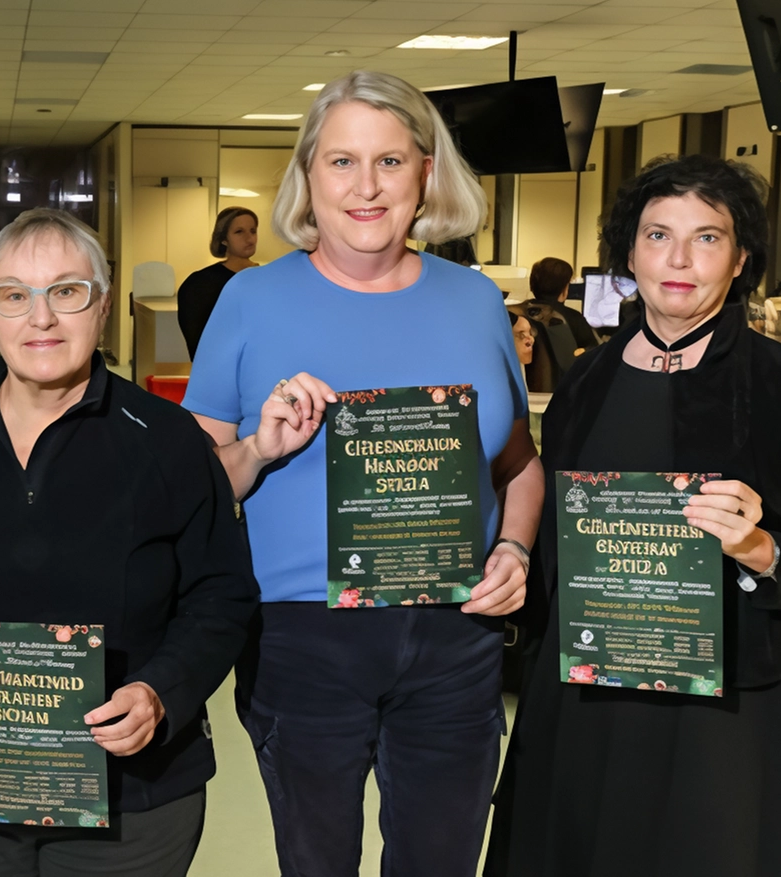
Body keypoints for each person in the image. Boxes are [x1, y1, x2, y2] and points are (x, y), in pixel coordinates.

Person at [183, 70, 542, 877]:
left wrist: (515, 551)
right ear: (308, 177)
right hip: (303, 639)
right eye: (341, 161)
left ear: (426, 171)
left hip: (456, 635)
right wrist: (261, 447)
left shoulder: (476, 302)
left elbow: (520, 465)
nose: (366, 186)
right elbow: (191, 491)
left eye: (390, 160)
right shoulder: (250, 302)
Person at [484, 154, 781, 877]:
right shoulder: (586, 381)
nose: (679, 259)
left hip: (718, 711)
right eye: (658, 235)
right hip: (585, 693)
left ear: (741, 256)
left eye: (708, 237)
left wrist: (759, 547)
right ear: (630, 253)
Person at [0, 207, 257, 876]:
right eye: (14, 295)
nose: (41, 318)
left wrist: (162, 692)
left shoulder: (167, 440)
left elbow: (222, 596)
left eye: (67, 291)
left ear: (104, 305)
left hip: (134, 801)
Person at [177, 207, 257, 359]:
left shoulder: (266, 278)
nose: (249, 238)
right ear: (224, 239)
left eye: (252, 231)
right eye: (239, 232)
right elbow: (196, 341)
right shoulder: (200, 283)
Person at [522, 256, 598, 353]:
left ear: (532, 285)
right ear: (564, 290)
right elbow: (594, 353)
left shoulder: (519, 315)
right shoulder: (575, 319)